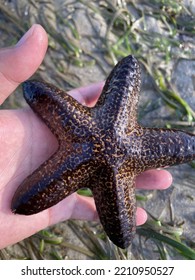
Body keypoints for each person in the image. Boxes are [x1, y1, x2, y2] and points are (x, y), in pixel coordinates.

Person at [0, 24, 172, 249]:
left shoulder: (85, 132)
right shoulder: (112, 169)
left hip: (95, 155)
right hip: (106, 161)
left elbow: (38, 92)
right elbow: (127, 71)